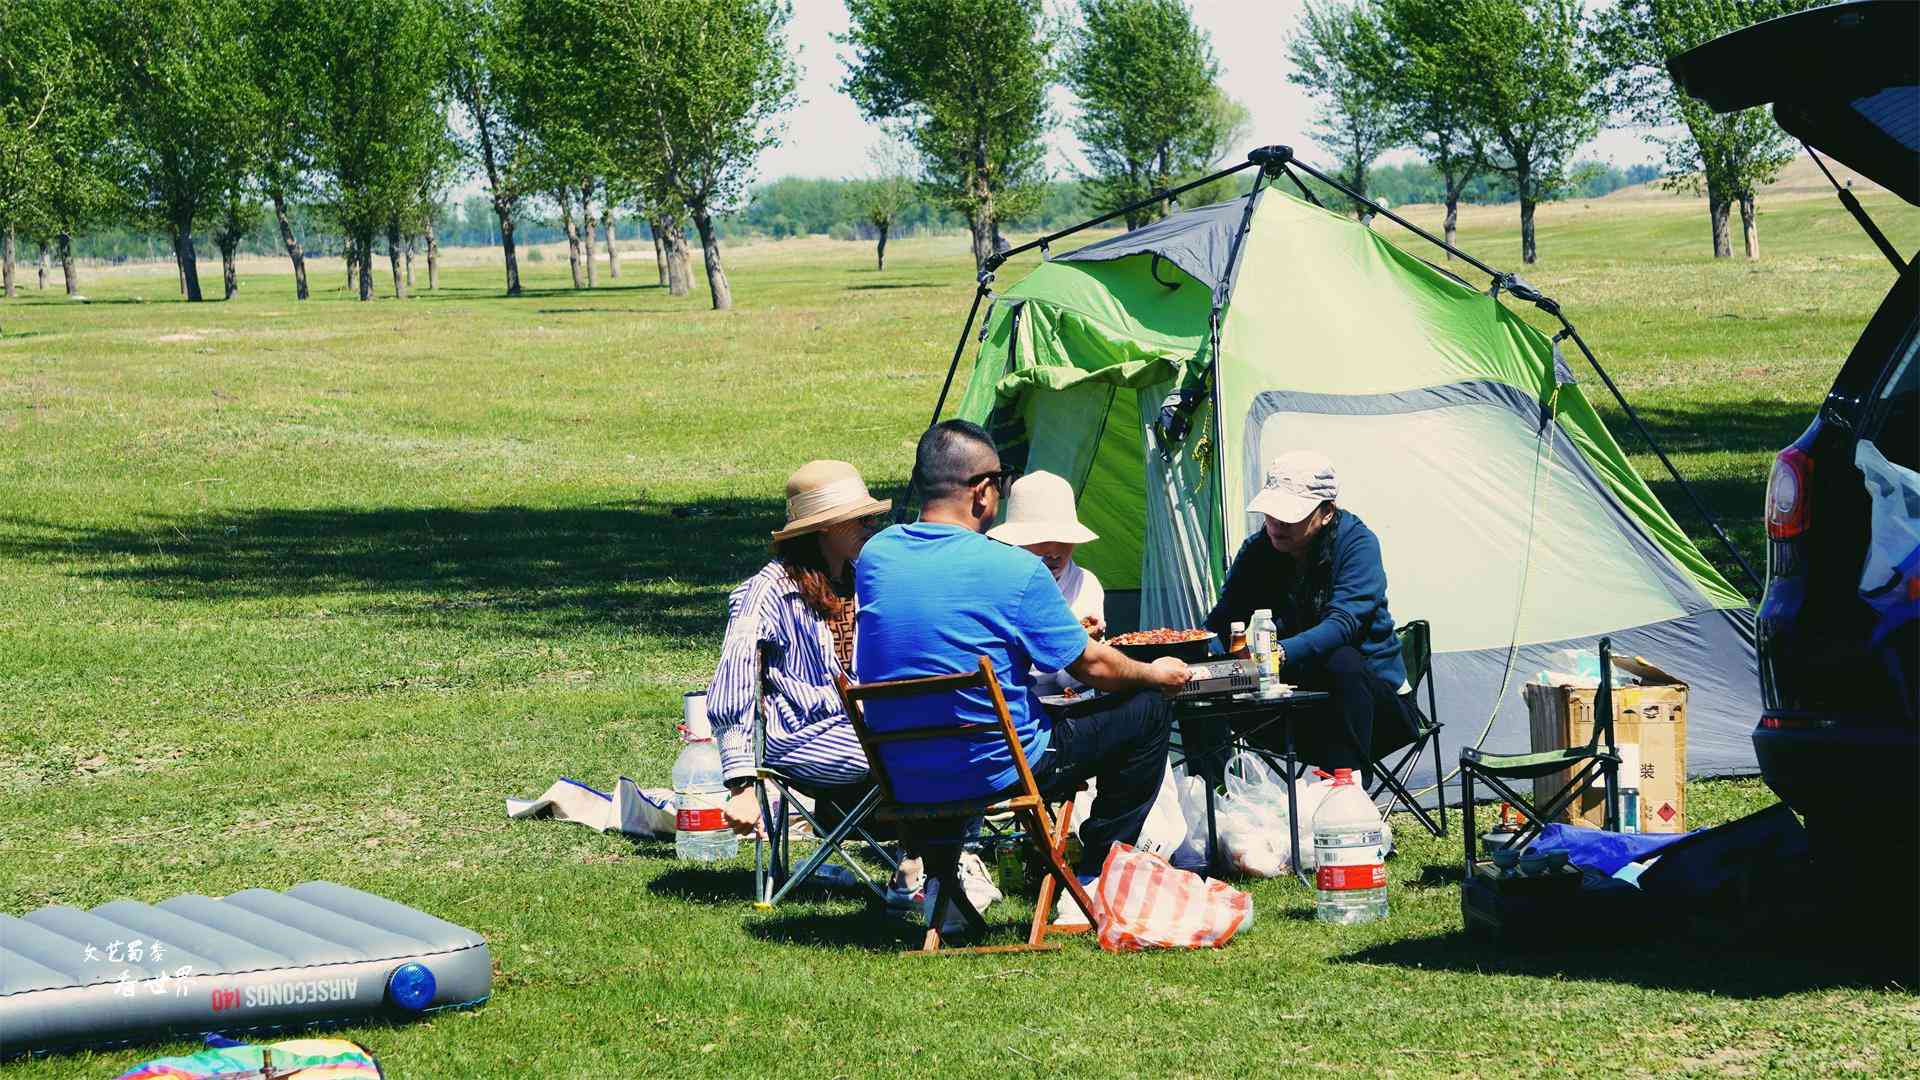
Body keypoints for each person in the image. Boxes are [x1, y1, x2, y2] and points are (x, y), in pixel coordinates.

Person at [855, 421, 1191, 921]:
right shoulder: (1015, 570)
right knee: (1146, 711)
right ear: (983, 491)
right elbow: (1093, 665)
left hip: (904, 770)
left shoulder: (874, 557)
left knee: (958, 730)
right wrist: (1153, 673)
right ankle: (1098, 874)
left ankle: (944, 890)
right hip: (997, 766)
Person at [704, 460, 995, 915]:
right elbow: (733, 683)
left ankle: (941, 860)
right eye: (860, 519)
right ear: (824, 529)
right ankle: (930, 863)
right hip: (805, 736)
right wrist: (740, 782)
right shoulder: (766, 593)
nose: (872, 525)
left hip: (868, 722)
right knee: (919, 748)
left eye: (871, 516)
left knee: (961, 725)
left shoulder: (865, 580)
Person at [1204, 450, 1416, 781]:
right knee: (1198, 686)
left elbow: (1343, 623)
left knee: (1341, 659)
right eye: (1271, 512)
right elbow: (1223, 619)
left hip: (1372, 706)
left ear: (1326, 513)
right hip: (1293, 695)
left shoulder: (1358, 544)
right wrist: (1193, 659)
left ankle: (1346, 792)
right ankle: (1218, 800)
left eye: (1289, 515)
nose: (1275, 523)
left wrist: (1278, 653)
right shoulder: (1258, 552)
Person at [986, 470, 1106, 693]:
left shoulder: (1085, 584)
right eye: (1042, 541)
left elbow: (1069, 681)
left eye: (1063, 540)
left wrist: (1086, 647)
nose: (1054, 552)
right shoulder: (997, 584)